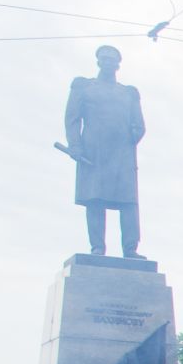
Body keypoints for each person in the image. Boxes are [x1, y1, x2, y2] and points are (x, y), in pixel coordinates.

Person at [64, 44, 145, 257]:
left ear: (118, 64)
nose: (109, 62)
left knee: (128, 202)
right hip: (94, 150)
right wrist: (75, 145)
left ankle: (130, 248)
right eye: (105, 58)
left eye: (113, 59)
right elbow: (72, 119)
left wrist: (134, 134)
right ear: (98, 62)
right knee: (95, 199)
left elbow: (139, 124)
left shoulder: (129, 93)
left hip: (122, 153)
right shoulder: (84, 87)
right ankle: (98, 247)